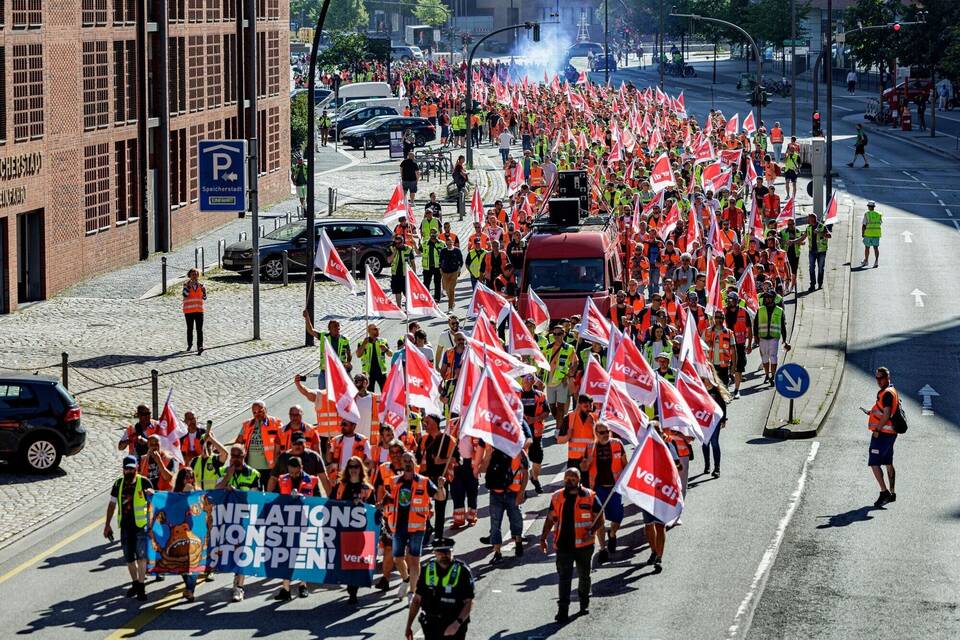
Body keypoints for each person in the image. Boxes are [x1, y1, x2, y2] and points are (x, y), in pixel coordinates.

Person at [539, 467, 603, 623]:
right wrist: (543, 537)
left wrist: (592, 530)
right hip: (563, 546)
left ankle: (584, 604)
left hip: (584, 546)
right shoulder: (556, 497)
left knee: (584, 576)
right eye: (567, 478)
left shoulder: (590, 496)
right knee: (564, 579)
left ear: (579, 479)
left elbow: (600, 519)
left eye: (573, 479)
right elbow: (549, 519)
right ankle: (563, 610)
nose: (569, 481)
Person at [385, 451, 447, 603]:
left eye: (410, 460)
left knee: (414, 560)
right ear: (401, 463)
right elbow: (387, 500)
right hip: (398, 526)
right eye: (405, 460)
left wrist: (441, 486)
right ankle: (406, 579)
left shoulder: (424, 482)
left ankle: (412, 592)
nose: (407, 463)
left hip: (417, 527)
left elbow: (440, 497)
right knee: (397, 559)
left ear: (415, 463)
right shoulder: (393, 482)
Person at [104, 455, 154, 602]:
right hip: (125, 527)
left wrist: (151, 525)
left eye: (132, 468)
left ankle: (141, 586)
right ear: (123, 470)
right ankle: (135, 583)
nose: (129, 471)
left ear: (136, 468)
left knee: (142, 557)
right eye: (127, 468)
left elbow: (154, 503)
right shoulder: (118, 484)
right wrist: (107, 525)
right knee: (129, 558)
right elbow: (112, 504)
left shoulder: (144, 482)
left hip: (141, 526)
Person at [218, 444, 263, 602]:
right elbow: (216, 491)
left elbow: (256, 498)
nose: (235, 459)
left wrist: (236, 493)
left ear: (244, 456)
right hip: (226, 518)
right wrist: (227, 478)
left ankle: (239, 587)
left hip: (244, 519)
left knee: (242, 551)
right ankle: (235, 578)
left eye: (238, 456)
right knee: (230, 551)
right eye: (233, 456)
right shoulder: (224, 471)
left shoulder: (253, 474)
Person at [405, 542, 474, 640]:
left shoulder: (462, 571)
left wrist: (457, 623)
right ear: (435, 553)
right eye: (440, 552)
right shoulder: (427, 569)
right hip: (431, 623)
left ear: (452, 552)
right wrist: (408, 626)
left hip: (454, 623)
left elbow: (469, 601)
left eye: (447, 552)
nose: (444, 555)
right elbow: (417, 600)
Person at [274, 455, 321, 601]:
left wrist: (304, 499)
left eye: (296, 473)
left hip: (304, 522)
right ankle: (285, 589)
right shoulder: (282, 479)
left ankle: (303, 585)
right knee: (285, 555)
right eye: (291, 473)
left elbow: (318, 500)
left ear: (301, 468)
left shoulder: (312, 480)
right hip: (286, 522)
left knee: (302, 554)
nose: (293, 475)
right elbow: (275, 498)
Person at [582, 421, 627, 563]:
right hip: (597, 489)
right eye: (602, 432)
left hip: (615, 488)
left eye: (607, 431)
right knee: (599, 519)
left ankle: (612, 533)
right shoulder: (590, 447)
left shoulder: (617, 443)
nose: (606, 434)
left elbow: (626, 465)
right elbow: (582, 468)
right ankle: (602, 549)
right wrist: (587, 462)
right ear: (596, 434)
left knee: (617, 518)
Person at [333, 456, 375, 604]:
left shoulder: (367, 489)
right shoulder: (340, 485)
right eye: (350, 466)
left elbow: (373, 510)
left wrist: (361, 505)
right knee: (344, 560)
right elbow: (332, 504)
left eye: (356, 466)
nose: (353, 469)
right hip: (343, 529)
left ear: (361, 468)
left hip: (361, 531)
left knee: (356, 561)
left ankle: (353, 592)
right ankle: (349, 584)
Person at [478, 440, 529, 564]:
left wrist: (521, 492)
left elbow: (525, 472)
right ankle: (498, 552)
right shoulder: (497, 451)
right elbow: (483, 469)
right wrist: (488, 455)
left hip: (510, 493)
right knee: (499, 523)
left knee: (512, 520)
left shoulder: (517, 451)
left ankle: (517, 543)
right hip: (500, 493)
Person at [863, 367, 900, 507]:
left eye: (881, 378)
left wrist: (877, 429)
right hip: (890, 434)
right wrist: (872, 412)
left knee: (874, 462)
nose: (878, 381)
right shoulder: (891, 390)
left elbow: (887, 414)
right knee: (888, 462)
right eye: (877, 378)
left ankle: (884, 492)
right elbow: (883, 410)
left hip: (883, 434)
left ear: (887, 377)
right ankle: (892, 492)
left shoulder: (887, 394)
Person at [234, 400, 282, 479]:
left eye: (260, 411)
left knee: (268, 491)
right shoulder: (247, 424)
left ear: (265, 410)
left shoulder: (275, 423)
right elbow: (238, 442)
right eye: (254, 413)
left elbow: (282, 442)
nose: (257, 414)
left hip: (270, 467)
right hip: (251, 467)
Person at [302, 314, 352, 388]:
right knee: (322, 393)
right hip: (325, 371)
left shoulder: (344, 340)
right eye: (334, 326)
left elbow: (349, 353)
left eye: (338, 326)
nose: (337, 328)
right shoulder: (324, 337)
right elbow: (310, 330)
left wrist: (348, 362)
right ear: (329, 329)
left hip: (339, 371)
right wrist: (307, 317)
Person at [556, 395, 597, 485]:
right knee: (572, 489)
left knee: (589, 488)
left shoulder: (595, 419)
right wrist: (567, 436)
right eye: (586, 406)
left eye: (591, 406)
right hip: (574, 461)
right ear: (579, 405)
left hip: (590, 460)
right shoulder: (570, 418)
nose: (589, 409)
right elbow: (559, 440)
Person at [754, 290, 791, 384]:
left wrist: (785, 339)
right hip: (762, 337)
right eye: (766, 298)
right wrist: (755, 336)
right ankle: (767, 374)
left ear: (773, 299)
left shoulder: (779, 310)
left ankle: (773, 376)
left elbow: (782, 325)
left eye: (769, 297)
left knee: (773, 356)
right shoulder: (760, 309)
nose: (767, 299)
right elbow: (755, 324)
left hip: (774, 338)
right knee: (765, 358)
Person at [357, 323, 392, 392]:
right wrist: (364, 344)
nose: (378, 331)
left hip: (381, 371)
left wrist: (386, 349)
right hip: (368, 372)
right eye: (375, 329)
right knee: (369, 394)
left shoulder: (383, 341)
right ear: (369, 331)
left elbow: (390, 354)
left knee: (385, 392)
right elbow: (358, 355)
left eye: (378, 329)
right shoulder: (362, 342)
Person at [388, 233, 417, 307]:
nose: (397, 244)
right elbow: (389, 260)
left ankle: (409, 306)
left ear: (403, 242)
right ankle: (399, 307)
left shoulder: (409, 249)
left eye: (399, 243)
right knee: (397, 292)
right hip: (396, 274)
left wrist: (414, 274)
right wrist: (394, 253)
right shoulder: (391, 248)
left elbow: (413, 262)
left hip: (406, 274)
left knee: (406, 292)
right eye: (396, 243)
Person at [181, 268, 206, 354]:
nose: (194, 276)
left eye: (196, 274)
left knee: (199, 329)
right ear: (190, 276)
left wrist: (204, 291)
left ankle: (200, 346)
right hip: (189, 311)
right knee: (190, 329)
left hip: (199, 310)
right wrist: (189, 286)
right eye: (193, 275)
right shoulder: (186, 284)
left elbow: (205, 297)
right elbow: (185, 294)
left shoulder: (201, 285)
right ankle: (190, 344)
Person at [803, 213, 831, 290]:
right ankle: (812, 285)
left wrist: (819, 232)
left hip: (821, 251)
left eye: (808, 218)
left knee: (820, 268)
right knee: (811, 268)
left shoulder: (822, 226)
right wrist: (793, 241)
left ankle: (820, 284)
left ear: (813, 219)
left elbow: (829, 236)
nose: (807, 220)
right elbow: (803, 237)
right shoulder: (808, 227)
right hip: (812, 251)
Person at [420, 228, 444, 301]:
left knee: (437, 283)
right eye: (431, 233)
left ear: (437, 234)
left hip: (437, 267)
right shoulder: (425, 243)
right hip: (427, 267)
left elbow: (446, 255)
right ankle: (427, 299)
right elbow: (418, 252)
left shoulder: (442, 243)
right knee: (426, 284)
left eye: (434, 233)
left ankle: (437, 300)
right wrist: (414, 244)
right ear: (429, 234)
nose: (432, 234)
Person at [861, 200, 882, 268]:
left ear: (868, 207)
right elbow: (880, 222)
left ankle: (866, 261)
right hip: (876, 234)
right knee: (876, 248)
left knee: (867, 247)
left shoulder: (867, 214)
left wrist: (863, 233)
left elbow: (864, 225)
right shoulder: (879, 214)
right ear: (874, 207)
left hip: (868, 234)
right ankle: (876, 262)